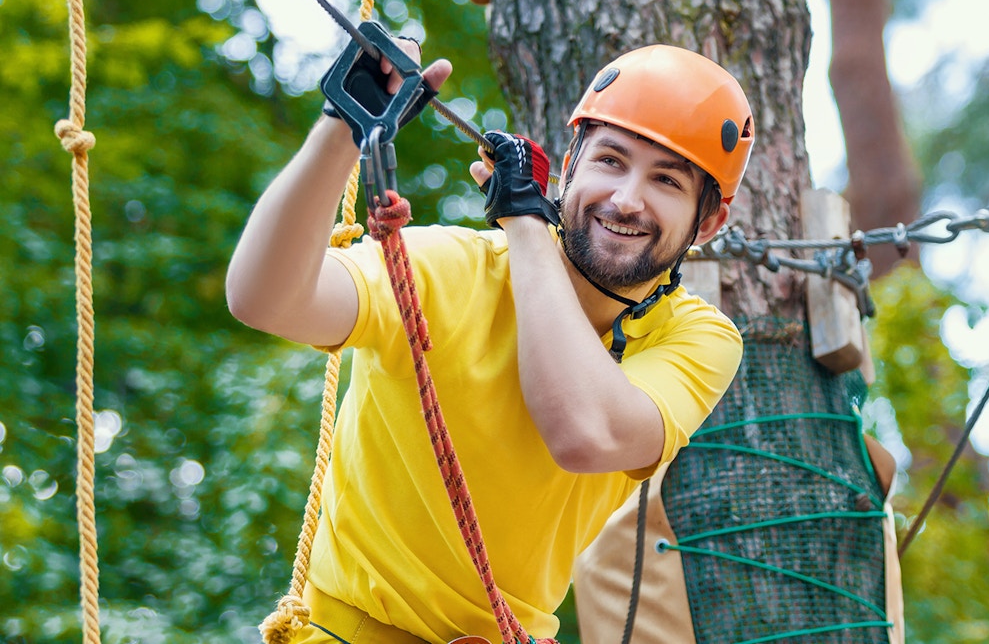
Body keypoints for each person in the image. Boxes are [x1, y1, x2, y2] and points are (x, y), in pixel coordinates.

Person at [225, 39, 754, 643]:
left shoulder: (700, 338)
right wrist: (340, 131)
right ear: (571, 163)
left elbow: (584, 433)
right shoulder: (452, 270)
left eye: (667, 180)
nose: (627, 199)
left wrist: (526, 223)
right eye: (610, 160)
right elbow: (265, 299)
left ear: (708, 222)